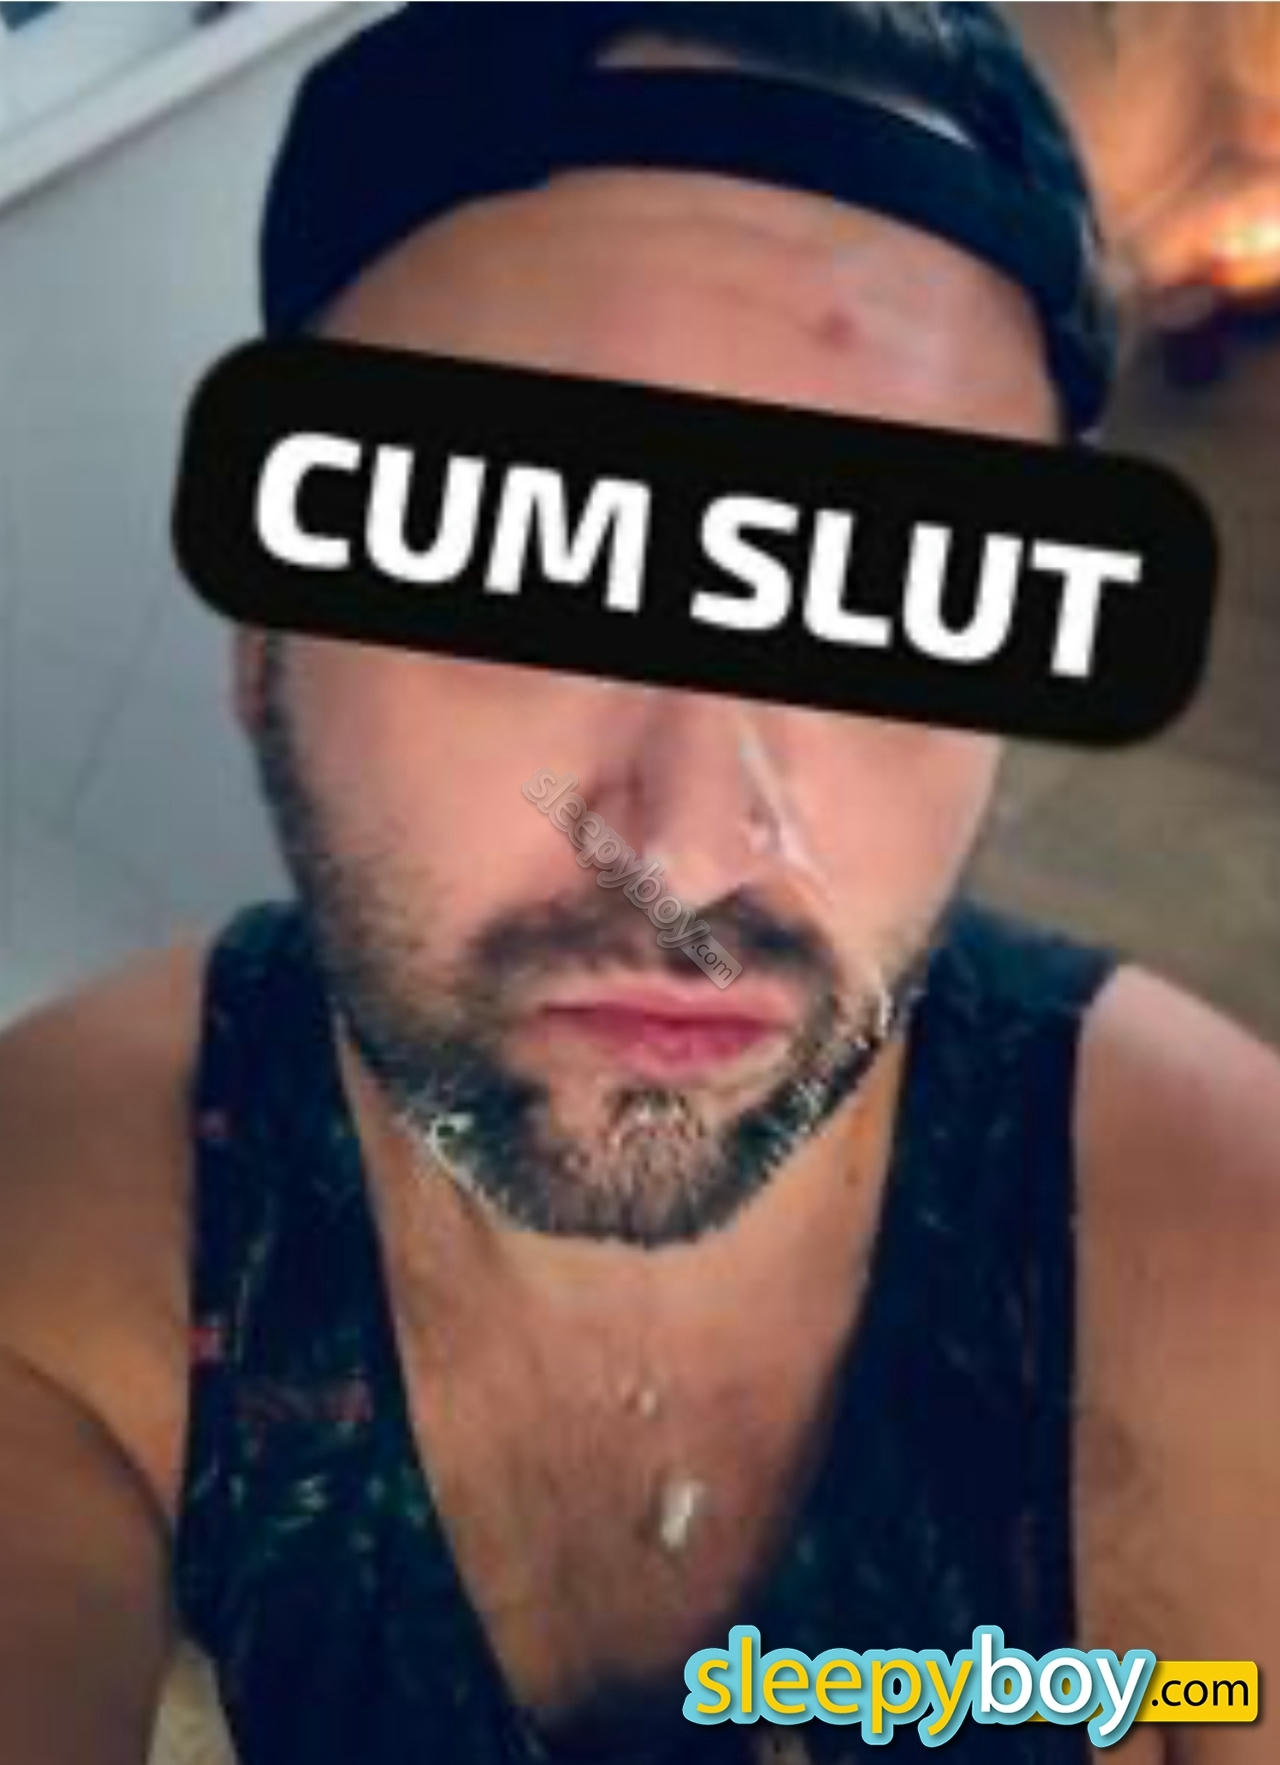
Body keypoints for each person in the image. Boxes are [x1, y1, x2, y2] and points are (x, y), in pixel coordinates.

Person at [0, 6, 1276, 1763]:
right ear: (267, 632)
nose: (680, 852)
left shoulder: (1233, 1286)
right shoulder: (66, 1238)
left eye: (887, 617)